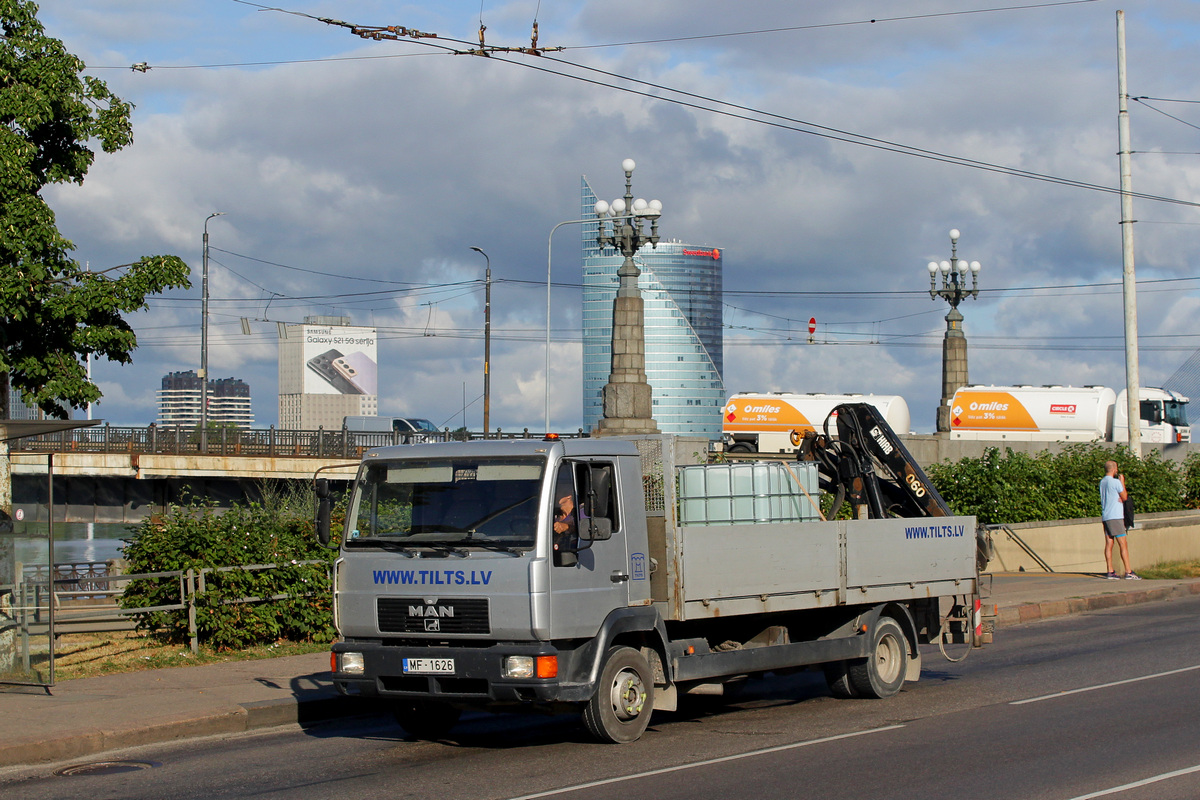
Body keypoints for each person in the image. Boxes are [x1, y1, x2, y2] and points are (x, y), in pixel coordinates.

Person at [1099, 460, 1138, 580]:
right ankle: (1128, 571)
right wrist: (1122, 482)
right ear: (1114, 469)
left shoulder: (1102, 482)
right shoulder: (1115, 482)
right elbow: (1125, 496)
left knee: (1109, 544)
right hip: (1115, 516)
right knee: (1123, 544)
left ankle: (1110, 570)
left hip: (1106, 515)